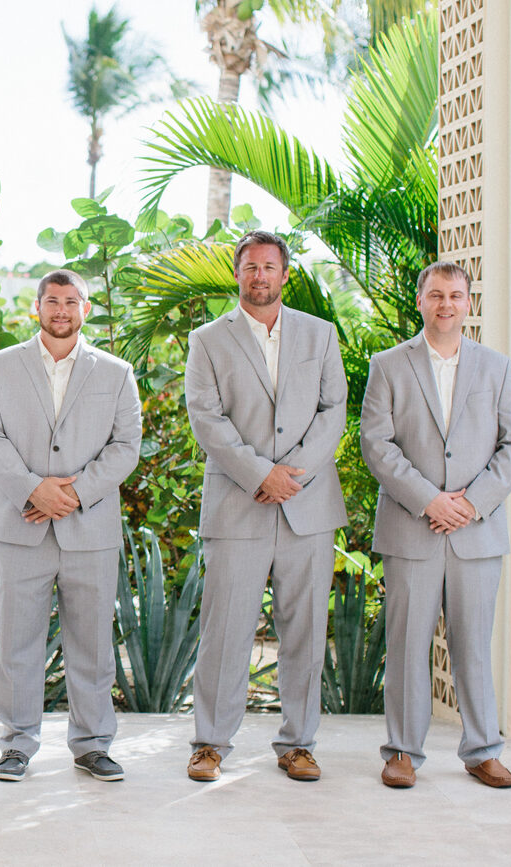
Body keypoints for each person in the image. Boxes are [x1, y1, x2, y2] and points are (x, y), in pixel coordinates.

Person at [184, 230, 348, 782]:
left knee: (304, 629)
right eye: (250, 267)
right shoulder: (208, 340)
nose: (260, 277)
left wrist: (290, 476)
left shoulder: (321, 335)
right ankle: (210, 743)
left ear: (285, 274)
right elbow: (206, 417)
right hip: (239, 504)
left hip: (308, 505)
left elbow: (334, 412)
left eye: (270, 267)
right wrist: (260, 474)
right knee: (226, 628)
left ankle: (298, 743)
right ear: (238, 273)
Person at [360, 261, 511, 789]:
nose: (446, 305)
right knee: (408, 643)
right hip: (413, 527)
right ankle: (403, 753)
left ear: (468, 303)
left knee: (473, 644)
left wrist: (470, 504)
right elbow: (377, 444)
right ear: (420, 301)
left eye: (456, 296)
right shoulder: (388, 365)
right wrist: (431, 500)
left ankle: (482, 750)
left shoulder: (497, 367)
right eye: (436, 295)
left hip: (476, 532)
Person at [0, 269, 141, 783]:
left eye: (72, 302)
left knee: (91, 641)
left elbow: (125, 445)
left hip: (89, 528)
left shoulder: (116, 372)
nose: (61, 310)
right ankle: (16, 745)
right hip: (21, 525)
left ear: (85, 308)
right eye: (52, 301)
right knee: (17, 642)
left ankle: (92, 744)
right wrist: (32, 488)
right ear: (37, 308)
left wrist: (71, 494)